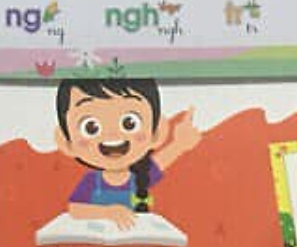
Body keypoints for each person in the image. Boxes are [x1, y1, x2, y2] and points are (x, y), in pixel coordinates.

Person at [54, 77, 200, 230]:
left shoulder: (141, 175)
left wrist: (179, 144)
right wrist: (107, 212)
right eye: (91, 127)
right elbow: (75, 209)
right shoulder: (92, 181)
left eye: (129, 124)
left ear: (156, 133)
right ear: (67, 143)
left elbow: (164, 159)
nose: (112, 136)